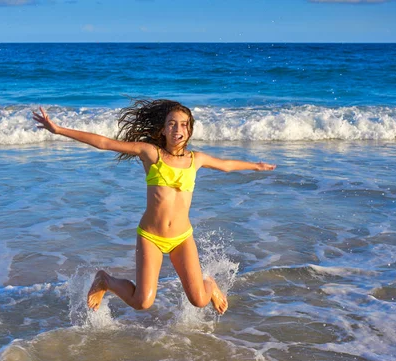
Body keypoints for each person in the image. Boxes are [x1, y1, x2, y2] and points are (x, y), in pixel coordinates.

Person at [33, 99, 275, 315]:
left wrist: (256, 166)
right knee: (142, 303)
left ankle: (208, 284)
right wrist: (58, 130)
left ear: (189, 130)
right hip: (151, 236)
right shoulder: (151, 154)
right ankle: (105, 280)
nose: (177, 129)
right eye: (172, 123)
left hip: (182, 238)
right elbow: (105, 143)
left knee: (200, 301)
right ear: (163, 129)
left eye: (183, 124)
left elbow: (226, 165)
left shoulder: (196, 159)